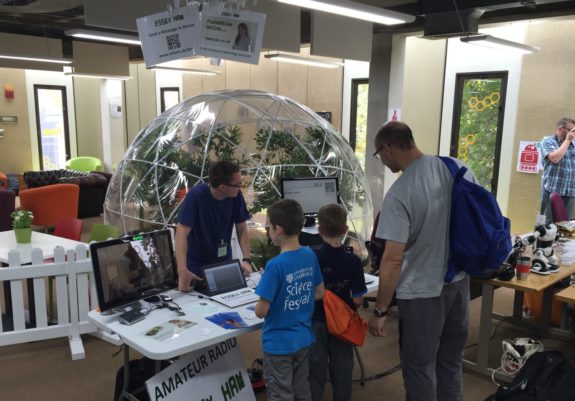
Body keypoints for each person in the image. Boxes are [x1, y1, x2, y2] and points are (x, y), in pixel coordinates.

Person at [368, 121, 474, 401]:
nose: (382, 160)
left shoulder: (400, 192)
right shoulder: (458, 168)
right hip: (460, 284)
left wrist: (380, 311)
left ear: (388, 148)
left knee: (419, 368)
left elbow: (392, 259)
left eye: (379, 155)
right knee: (451, 363)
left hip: (421, 294)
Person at [254, 199, 325, 401]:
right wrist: (295, 296)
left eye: (269, 227)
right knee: (302, 390)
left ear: (278, 230)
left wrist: (280, 298)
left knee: (280, 393)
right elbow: (320, 292)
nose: (268, 231)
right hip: (303, 338)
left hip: (278, 345)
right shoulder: (309, 254)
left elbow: (261, 311)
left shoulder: (274, 266)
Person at [309, 203, 367, 401]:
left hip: (316, 320)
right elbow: (358, 299)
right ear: (345, 230)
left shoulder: (311, 257)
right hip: (342, 323)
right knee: (342, 369)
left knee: (314, 370)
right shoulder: (354, 261)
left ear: (319, 230)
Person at [175, 160, 252, 292]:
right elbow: (181, 232)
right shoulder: (196, 196)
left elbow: (242, 228)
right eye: (238, 184)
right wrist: (182, 269)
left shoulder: (236, 196)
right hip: (197, 265)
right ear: (223, 187)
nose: (240, 188)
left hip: (224, 262)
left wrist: (247, 259)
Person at [539, 117, 575, 223]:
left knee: (566, 226)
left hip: (570, 191)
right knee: (547, 224)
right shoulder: (548, 141)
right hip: (551, 190)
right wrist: (568, 141)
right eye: (570, 130)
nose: (572, 133)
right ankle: (544, 240)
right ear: (560, 129)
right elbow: (555, 158)